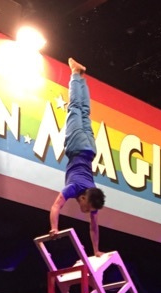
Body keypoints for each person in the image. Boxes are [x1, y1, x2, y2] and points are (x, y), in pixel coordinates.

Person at [49, 57, 106, 257]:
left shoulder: (91, 193)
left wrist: (96, 250)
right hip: (77, 146)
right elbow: (56, 205)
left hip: (90, 150)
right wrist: (54, 228)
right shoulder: (73, 188)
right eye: (87, 207)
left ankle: (81, 77)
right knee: (74, 108)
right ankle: (74, 73)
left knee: (84, 112)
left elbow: (94, 227)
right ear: (83, 198)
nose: (86, 211)